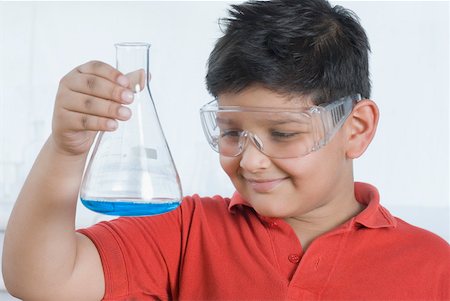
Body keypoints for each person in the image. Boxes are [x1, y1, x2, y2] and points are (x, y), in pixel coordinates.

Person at [2, 0, 449, 300]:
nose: (250, 160)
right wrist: (67, 148)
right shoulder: (187, 231)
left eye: (283, 133)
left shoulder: (433, 265)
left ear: (357, 128)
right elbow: (41, 280)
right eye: (231, 132)